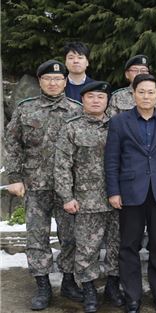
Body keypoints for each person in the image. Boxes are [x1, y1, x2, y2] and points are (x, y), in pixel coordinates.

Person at [4, 60, 83, 310]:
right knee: (37, 236)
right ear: (40, 82)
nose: (53, 82)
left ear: (65, 82)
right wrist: (14, 178)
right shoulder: (25, 110)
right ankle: (42, 285)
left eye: (58, 79)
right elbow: (13, 143)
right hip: (34, 184)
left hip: (67, 188)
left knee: (70, 236)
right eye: (48, 78)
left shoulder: (76, 110)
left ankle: (69, 281)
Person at [104, 74, 156, 313]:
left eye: (151, 92)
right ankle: (133, 296)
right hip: (129, 193)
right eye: (141, 91)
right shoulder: (119, 122)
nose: (146, 96)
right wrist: (113, 191)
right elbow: (112, 160)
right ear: (133, 94)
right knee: (129, 246)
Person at [54, 81, 125, 313]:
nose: (96, 100)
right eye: (91, 96)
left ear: (108, 101)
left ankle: (113, 286)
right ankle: (89, 289)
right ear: (82, 99)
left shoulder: (119, 125)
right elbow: (62, 165)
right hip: (86, 201)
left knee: (117, 245)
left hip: (119, 198)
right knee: (87, 248)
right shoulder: (71, 127)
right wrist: (67, 196)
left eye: (101, 97)